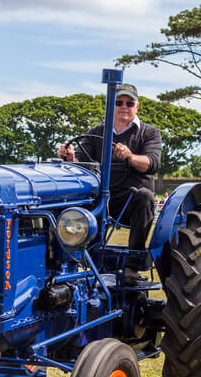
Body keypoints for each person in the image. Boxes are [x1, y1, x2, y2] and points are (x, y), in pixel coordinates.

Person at [58, 83, 162, 284]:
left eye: (129, 103)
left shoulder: (149, 133)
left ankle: (132, 265)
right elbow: (81, 163)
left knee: (145, 197)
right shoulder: (97, 132)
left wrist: (130, 156)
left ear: (136, 106)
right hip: (102, 197)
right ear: (111, 106)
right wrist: (70, 156)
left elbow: (152, 163)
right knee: (79, 196)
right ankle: (84, 261)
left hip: (131, 200)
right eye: (119, 102)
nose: (124, 106)